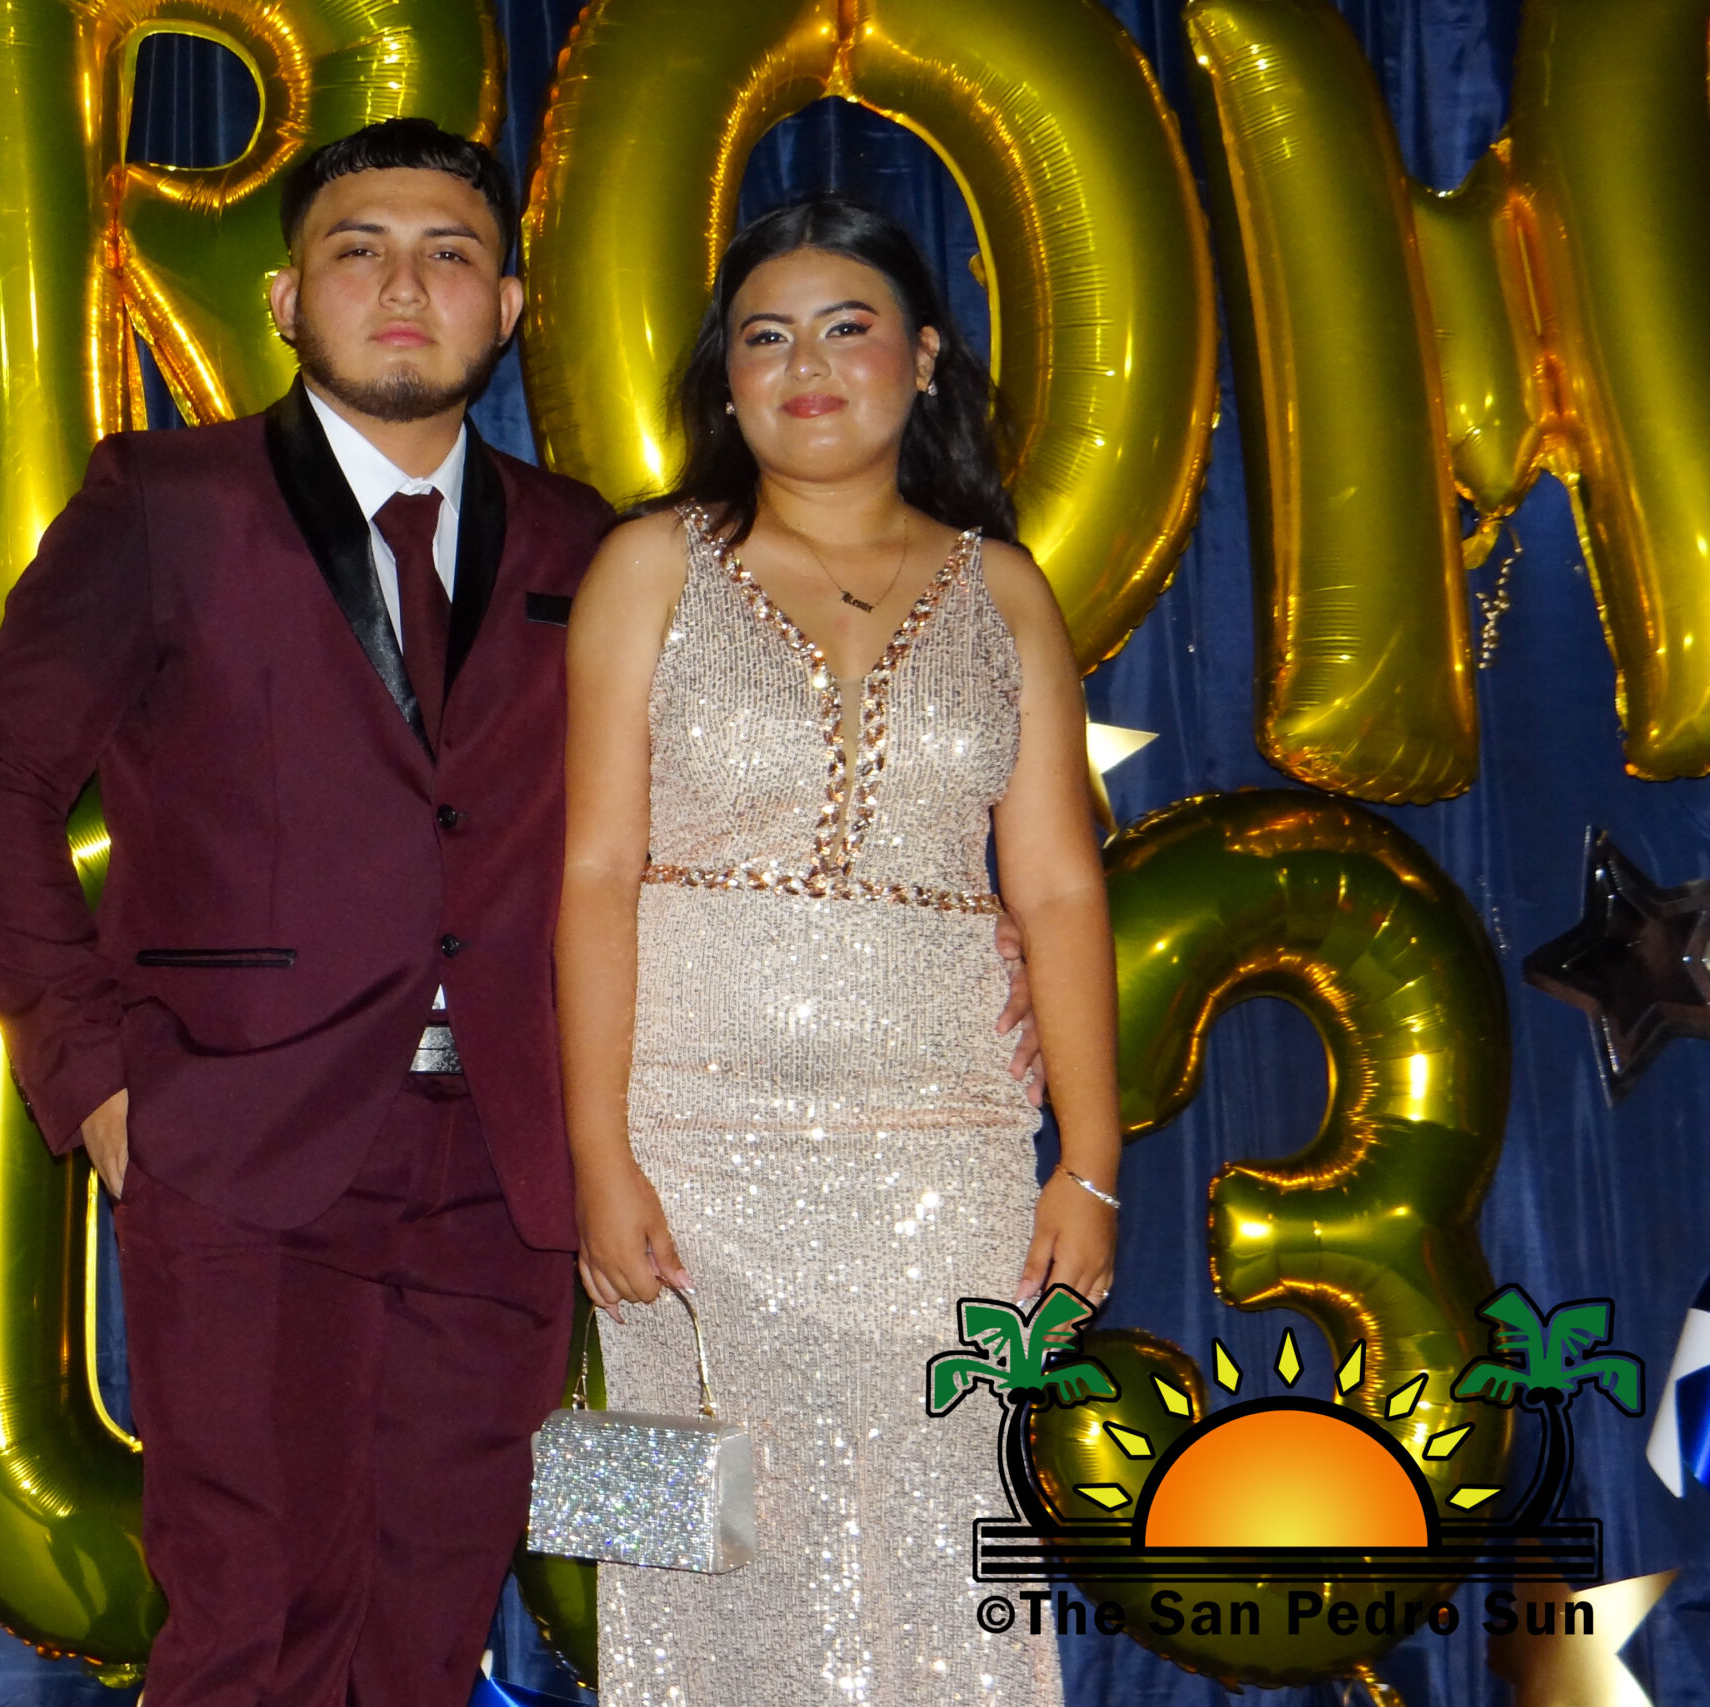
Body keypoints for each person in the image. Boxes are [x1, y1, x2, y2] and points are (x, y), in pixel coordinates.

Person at [0, 119, 614, 1705]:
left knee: (427, 1633)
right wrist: (91, 1074)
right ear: (287, 297)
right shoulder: (166, 499)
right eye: (358, 251)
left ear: (510, 307)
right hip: (242, 1139)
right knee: (251, 1625)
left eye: (450, 253)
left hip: (506, 1166)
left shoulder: (587, 538)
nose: (405, 286)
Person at [557, 194, 1120, 1703]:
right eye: (765, 337)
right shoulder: (644, 564)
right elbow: (593, 870)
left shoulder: (1008, 589)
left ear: (923, 359)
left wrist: (1092, 1162)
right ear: (726, 380)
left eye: (846, 327)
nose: (804, 365)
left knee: (954, 1553)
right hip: (682, 1157)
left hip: (950, 1160)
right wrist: (596, 1157)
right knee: (680, 1564)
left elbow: (1059, 890)